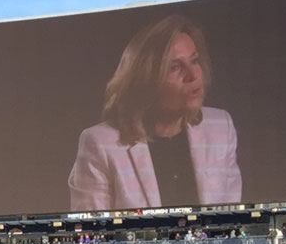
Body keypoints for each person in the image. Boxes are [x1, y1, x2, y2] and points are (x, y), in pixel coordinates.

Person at [67, 14, 242, 211]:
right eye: (175, 67)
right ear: (147, 79)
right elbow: (92, 232)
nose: (193, 75)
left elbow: (230, 217)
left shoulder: (220, 126)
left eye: (194, 61)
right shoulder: (100, 144)